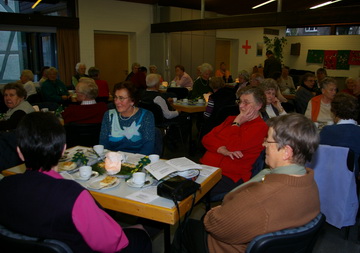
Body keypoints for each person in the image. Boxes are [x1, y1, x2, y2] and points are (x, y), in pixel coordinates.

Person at [0, 112, 152, 253]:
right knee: (140, 234)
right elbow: (111, 242)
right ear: (63, 150)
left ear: (19, 152)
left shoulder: (5, 185)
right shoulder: (73, 195)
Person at [171, 113, 320, 253]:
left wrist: (212, 212)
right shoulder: (309, 181)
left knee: (185, 230)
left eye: (268, 141)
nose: (263, 145)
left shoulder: (260, 199)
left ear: (286, 152)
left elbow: (214, 224)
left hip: (228, 246)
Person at [200, 86, 268, 199]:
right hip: (207, 169)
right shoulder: (230, 119)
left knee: (188, 193)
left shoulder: (260, 127)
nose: (241, 106)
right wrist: (221, 149)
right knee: (174, 184)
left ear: (258, 106)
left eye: (246, 102)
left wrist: (237, 124)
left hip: (229, 176)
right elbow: (206, 139)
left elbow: (233, 146)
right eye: (240, 101)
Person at [100, 81, 155, 155]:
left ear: (132, 101)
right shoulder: (109, 115)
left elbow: (148, 148)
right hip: (114, 160)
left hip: (137, 160)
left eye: (121, 98)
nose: (117, 102)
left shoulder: (146, 116)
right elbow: (103, 144)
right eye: (115, 97)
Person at [320, 92, 360, 176]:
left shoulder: (327, 131)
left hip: (330, 175)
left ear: (334, 112)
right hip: (354, 177)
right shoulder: (357, 131)